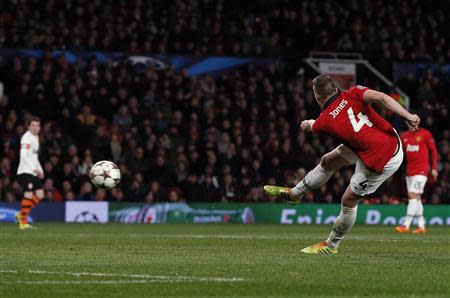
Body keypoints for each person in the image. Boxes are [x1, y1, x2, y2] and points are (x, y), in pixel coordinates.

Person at [264, 75, 420, 254]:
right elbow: (383, 98)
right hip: (388, 138)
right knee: (327, 161)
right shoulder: (354, 92)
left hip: (384, 159)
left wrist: (306, 123)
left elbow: (311, 126)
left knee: (349, 200)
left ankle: (331, 245)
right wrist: (408, 115)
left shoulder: (324, 122)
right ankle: (294, 195)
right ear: (336, 89)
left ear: (317, 97)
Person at [395, 126, 438, 234]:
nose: (412, 124)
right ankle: (421, 226)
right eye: (409, 122)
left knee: (412, 195)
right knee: (417, 198)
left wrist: (434, 168)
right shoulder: (404, 136)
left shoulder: (425, 134)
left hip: (422, 171)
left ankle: (406, 225)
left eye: (414, 121)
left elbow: (433, 151)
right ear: (406, 122)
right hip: (409, 172)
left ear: (418, 122)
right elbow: (401, 153)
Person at [15, 116, 44, 230]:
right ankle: (23, 222)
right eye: (33, 125)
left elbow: (34, 157)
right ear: (28, 126)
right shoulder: (26, 138)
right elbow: (23, 156)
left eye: (37, 125)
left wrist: (40, 170)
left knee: (40, 194)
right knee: (29, 195)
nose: (35, 128)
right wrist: (34, 169)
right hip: (25, 171)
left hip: (33, 171)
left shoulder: (36, 138)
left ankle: (21, 215)